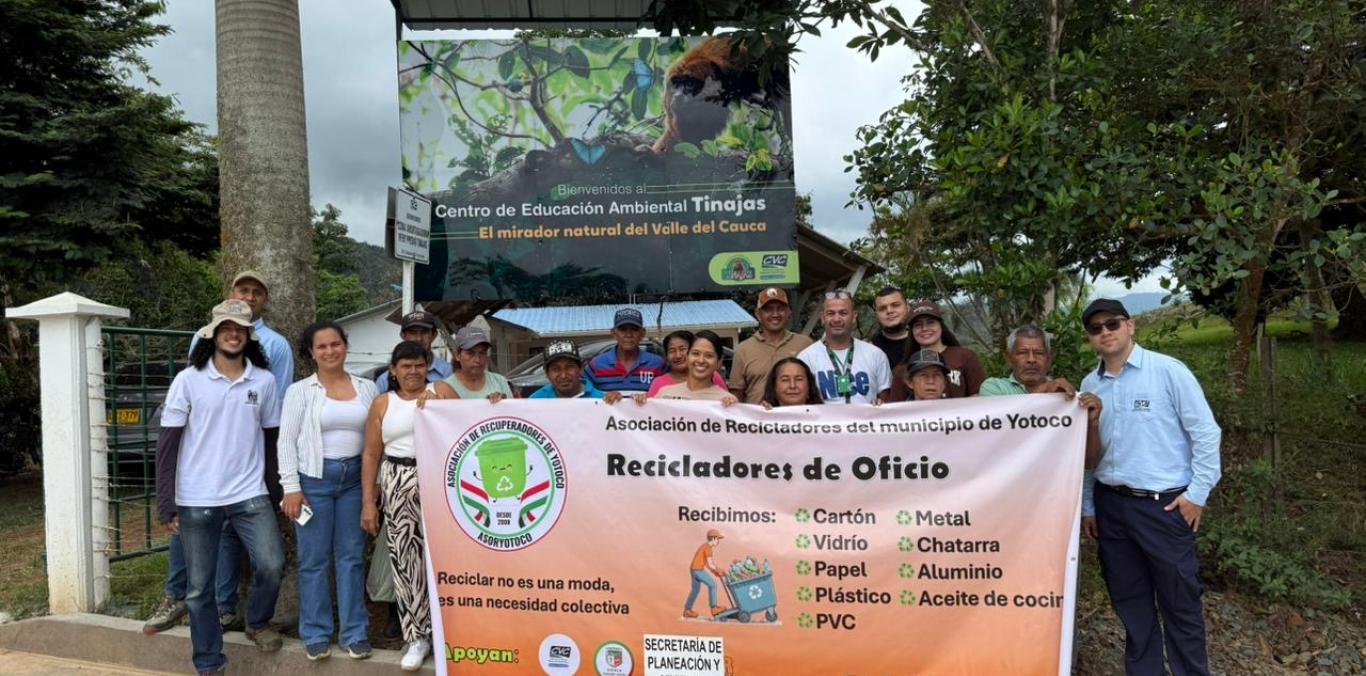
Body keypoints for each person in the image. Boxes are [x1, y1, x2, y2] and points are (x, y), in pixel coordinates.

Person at [1078, 299, 1222, 676]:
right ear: (1090, 338)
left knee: (1181, 603)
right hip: (1112, 508)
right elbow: (1089, 454)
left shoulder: (1168, 371)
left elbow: (1206, 435)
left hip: (1165, 507)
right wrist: (1090, 506)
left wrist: (1196, 495)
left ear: (1130, 326)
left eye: (1112, 324)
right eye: (1096, 328)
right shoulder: (1090, 385)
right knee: (1132, 604)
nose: (1105, 332)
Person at [146, 271, 294, 636]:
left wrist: (277, 491)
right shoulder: (188, 379)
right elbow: (168, 444)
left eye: (240, 329)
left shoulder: (265, 378)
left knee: (272, 566)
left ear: (249, 335)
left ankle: (255, 621)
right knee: (198, 589)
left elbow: (272, 439)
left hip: (249, 492)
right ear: (212, 333)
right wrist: (166, 500)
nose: (232, 333)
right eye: (226, 327)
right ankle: (209, 661)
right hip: (197, 494)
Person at [277, 321, 377, 661]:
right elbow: (286, 441)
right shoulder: (300, 391)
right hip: (313, 483)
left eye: (335, 344)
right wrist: (291, 487)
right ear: (311, 353)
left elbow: (375, 439)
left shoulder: (366, 388)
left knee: (350, 558)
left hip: (354, 481)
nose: (330, 351)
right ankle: (316, 634)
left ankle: (354, 633)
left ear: (345, 346)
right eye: (322, 347)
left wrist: (370, 489)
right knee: (313, 561)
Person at [361, 342, 459, 672]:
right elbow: (372, 454)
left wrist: (439, 408)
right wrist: (368, 502)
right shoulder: (382, 403)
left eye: (418, 365)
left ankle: (451, 631)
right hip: (396, 479)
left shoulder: (441, 390)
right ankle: (417, 636)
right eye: (405, 366)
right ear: (393, 370)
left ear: (427, 366)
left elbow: (465, 428)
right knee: (405, 559)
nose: (412, 371)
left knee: (445, 556)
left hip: (437, 476)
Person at [980, 325, 1104, 468]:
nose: (1031, 359)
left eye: (1039, 353)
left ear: (1049, 359)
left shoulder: (1064, 395)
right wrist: (1043, 392)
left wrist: (1092, 423)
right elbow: (1000, 436)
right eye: (1022, 352)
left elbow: (1089, 463)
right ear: (1010, 358)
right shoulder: (993, 388)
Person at [797, 291, 891, 405]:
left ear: (854, 316)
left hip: (865, 422)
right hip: (825, 422)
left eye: (843, 313)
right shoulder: (806, 358)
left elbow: (886, 399)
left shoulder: (875, 354)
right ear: (822, 318)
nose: (837, 319)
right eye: (831, 313)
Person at [728, 287, 813, 404]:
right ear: (758, 314)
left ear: (789, 312)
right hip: (756, 420)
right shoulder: (743, 349)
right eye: (768, 309)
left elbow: (814, 387)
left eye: (781, 309)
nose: (775, 314)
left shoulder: (805, 344)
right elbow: (736, 394)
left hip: (797, 419)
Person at [888, 300, 986, 402]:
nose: (925, 328)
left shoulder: (966, 357)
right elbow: (895, 409)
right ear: (911, 331)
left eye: (931, 322)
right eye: (918, 325)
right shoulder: (902, 369)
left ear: (941, 326)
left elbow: (980, 397)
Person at [585, 308, 666, 393]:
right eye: (622, 329)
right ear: (614, 333)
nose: (628, 335)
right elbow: (581, 394)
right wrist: (603, 397)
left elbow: (671, 394)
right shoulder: (596, 365)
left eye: (634, 329)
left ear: (642, 333)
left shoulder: (658, 364)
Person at [374, 310, 453, 391]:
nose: (419, 338)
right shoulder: (384, 381)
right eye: (413, 333)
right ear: (403, 336)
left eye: (424, 332)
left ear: (434, 335)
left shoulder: (450, 373)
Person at [653, 330, 738, 403]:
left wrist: (731, 408)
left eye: (709, 355)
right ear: (688, 355)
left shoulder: (726, 401)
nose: (701, 360)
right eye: (695, 353)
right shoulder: (664, 394)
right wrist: (641, 403)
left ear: (719, 361)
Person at [443, 326, 512, 401]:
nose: (477, 359)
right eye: (470, 353)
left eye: (482, 353)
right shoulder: (446, 388)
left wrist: (502, 403)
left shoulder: (499, 382)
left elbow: (512, 411)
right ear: (457, 355)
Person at [529, 340, 611, 399]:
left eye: (569, 367)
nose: (563, 375)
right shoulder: (536, 400)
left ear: (581, 369)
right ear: (547, 373)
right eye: (556, 369)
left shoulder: (601, 400)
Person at [683, 529, 728, 618]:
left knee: (695, 590)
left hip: (693, 569)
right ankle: (714, 608)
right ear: (713, 538)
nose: (718, 541)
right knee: (713, 585)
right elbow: (710, 564)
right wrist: (719, 570)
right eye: (717, 539)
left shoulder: (705, 546)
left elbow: (706, 563)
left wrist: (714, 572)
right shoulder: (708, 548)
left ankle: (687, 610)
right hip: (698, 570)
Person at [870, 285, 911, 370]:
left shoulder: (924, 342)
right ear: (876, 314)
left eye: (896, 305)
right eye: (882, 308)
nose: (889, 311)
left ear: (908, 307)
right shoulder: (869, 349)